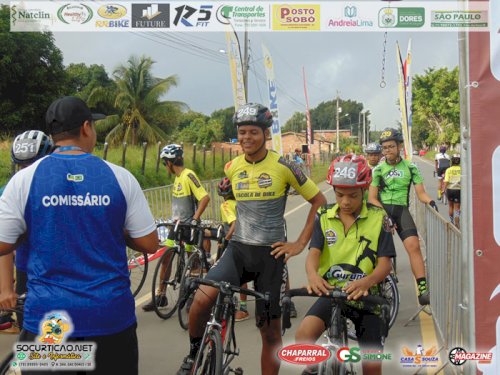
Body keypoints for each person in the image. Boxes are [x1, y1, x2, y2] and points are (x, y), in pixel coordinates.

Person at [0, 96, 159, 375]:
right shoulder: (119, 176)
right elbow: (149, 243)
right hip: (110, 318)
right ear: (86, 127)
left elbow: (3, 243)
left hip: (50, 322)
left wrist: (32, 228)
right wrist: (111, 225)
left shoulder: (23, 180)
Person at [176, 103, 327, 375]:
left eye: (253, 132)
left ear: (266, 134)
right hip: (238, 251)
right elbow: (238, 199)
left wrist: (299, 244)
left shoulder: (285, 165)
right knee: (200, 301)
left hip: (271, 258)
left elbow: (319, 201)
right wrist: (233, 212)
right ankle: (194, 353)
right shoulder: (232, 166)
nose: (246, 137)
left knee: (269, 334)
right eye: (242, 132)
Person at [296, 154, 395, 375]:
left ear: (365, 189)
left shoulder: (380, 217)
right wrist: (313, 275)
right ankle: (314, 370)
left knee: (371, 365)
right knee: (303, 336)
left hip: (367, 299)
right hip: (332, 292)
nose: (345, 202)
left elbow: (385, 264)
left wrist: (367, 281)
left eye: (353, 195)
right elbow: (313, 253)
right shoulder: (323, 214)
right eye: (339, 195)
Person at [368, 128, 437, 306]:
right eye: (384, 148)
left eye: (391, 146)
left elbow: (421, 193)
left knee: (414, 246)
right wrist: (384, 215)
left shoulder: (410, 167)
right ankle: (375, 285)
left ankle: (422, 289)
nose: (388, 150)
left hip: (401, 210)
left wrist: (430, 202)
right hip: (381, 210)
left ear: (399, 146)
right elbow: (372, 198)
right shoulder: (378, 170)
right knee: (378, 252)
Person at [142, 143, 210, 311]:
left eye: (165, 163)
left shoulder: (188, 175)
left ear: (170, 162)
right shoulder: (177, 178)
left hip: (189, 226)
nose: (166, 166)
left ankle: (192, 297)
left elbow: (205, 198)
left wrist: (195, 219)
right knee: (166, 258)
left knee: (192, 262)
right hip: (176, 226)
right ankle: (161, 296)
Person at [0, 130, 54, 333]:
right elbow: (4, 239)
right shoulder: (11, 190)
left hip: (63, 267)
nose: (27, 170)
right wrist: (6, 288)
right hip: (29, 267)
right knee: (31, 334)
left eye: (32, 164)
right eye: (22, 165)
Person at [216, 177, 249, 322]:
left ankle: (240, 308)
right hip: (247, 240)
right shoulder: (241, 203)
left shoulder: (225, 206)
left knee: (227, 273)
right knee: (242, 275)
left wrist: (226, 240)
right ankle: (242, 306)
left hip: (235, 242)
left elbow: (234, 224)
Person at [443, 154, 461, 227]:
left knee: (450, 206)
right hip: (458, 190)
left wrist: (444, 189)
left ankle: (452, 221)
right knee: (457, 208)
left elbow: (446, 181)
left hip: (450, 190)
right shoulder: (462, 169)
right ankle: (457, 223)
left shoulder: (448, 170)